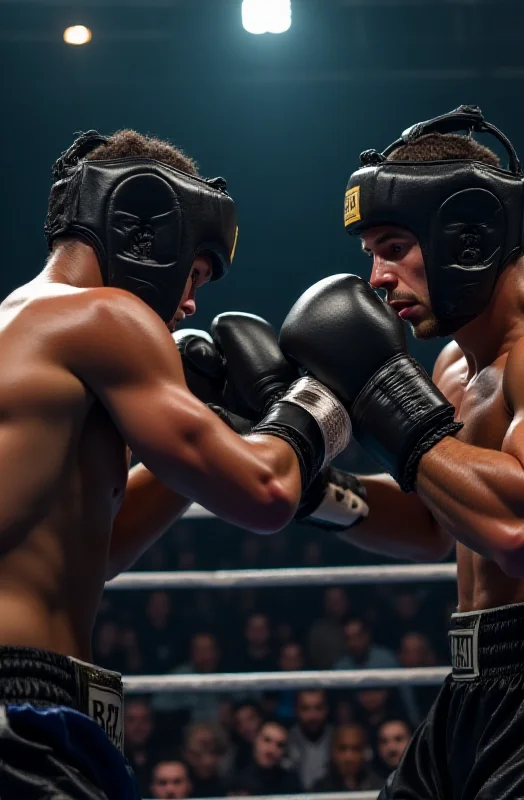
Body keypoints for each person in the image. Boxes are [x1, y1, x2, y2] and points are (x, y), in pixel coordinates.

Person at [0, 128, 351, 800]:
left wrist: (199, 434)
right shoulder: (107, 316)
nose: (190, 304)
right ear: (143, 236)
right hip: (22, 709)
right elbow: (266, 492)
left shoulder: (25, 324)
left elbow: (86, 553)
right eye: (194, 273)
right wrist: (324, 401)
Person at [276, 105, 524, 797]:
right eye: (371, 257)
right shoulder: (451, 366)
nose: (377, 279)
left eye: (392, 248)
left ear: (467, 237)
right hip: (473, 688)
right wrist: (311, 490)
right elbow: (431, 524)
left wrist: (388, 397)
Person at [227, 719, 302, 796]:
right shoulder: (235, 783)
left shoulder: (291, 784)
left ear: (285, 751)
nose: (271, 750)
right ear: (256, 740)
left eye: (280, 745)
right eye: (267, 740)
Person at [312, 723, 383, 792]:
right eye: (342, 749)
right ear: (332, 752)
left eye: (356, 749)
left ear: (365, 752)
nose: (349, 757)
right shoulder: (319, 791)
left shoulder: (379, 789)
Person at [288, 689, 333, 790]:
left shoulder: (338, 738)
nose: (312, 716)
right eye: (305, 708)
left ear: (326, 709)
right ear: (295, 710)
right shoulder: (285, 739)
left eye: (318, 708)